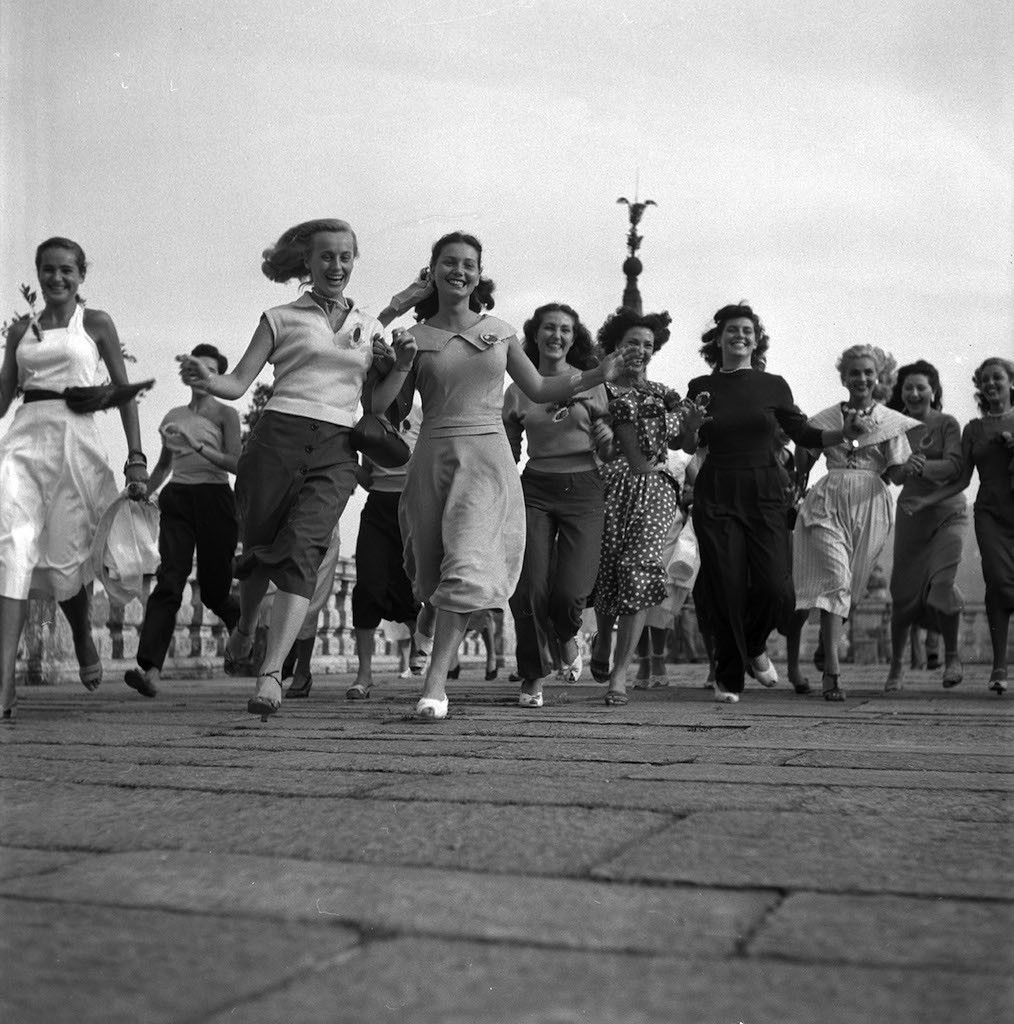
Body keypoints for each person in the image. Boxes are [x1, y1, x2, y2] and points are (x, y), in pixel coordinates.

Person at [370, 232, 637, 720]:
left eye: (469, 264)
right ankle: (429, 625)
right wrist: (399, 347)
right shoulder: (415, 338)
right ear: (432, 271)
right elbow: (379, 405)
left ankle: (435, 686)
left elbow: (537, 387)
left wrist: (598, 374)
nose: (460, 271)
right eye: (449, 262)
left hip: (488, 461)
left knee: (468, 565)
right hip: (432, 458)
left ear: (478, 273)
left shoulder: (500, 331)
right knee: (428, 573)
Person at [178, 218, 422, 717]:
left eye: (345, 257)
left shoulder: (369, 325)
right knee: (261, 548)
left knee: (302, 549)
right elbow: (238, 383)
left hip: (336, 449)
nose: (336, 266)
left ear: (355, 262)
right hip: (275, 443)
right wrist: (207, 378)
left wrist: (398, 364)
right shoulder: (279, 317)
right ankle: (246, 626)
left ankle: (271, 675)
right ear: (307, 264)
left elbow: (375, 403)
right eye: (326, 256)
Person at [685, 305, 869, 704]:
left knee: (776, 588)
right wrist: (688, 425)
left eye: (748, 330)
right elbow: (688, 444)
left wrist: (845, 433)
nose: (740, 335)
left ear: (756, 339)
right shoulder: (700, 384)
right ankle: (729, 678)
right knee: (727, 585)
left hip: (765, 490)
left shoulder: (774, 385)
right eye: (732, 330)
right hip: (717, 491)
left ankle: (753, 644)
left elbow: (802, 431)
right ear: (718, 340)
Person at [0, 237, 149, 719]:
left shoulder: (97, 324)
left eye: (66, 270)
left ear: (81, 274)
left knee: (67, 558)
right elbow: (5, 394)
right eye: (47, 269)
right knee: (14, 549)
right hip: (25, 441)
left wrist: (137, 457)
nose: (56, 278)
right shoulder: (22, 329)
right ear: (38, 273)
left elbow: (125, 393)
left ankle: (83, 636)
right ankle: (4, 685)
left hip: (76, 445)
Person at [588, 308, 705, 705]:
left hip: (655, 487)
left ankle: (619, 675)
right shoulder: (597, 389)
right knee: (607, 569)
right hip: (609, 485)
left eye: (648, 345)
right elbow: (597, 445)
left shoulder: (663, 394)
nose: (641, 350)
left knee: (638, 569)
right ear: (616, 345)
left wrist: (692, 422)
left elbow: (684, 447)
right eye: (632, 342)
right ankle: (603, 640)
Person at [502, 303, 612, 708]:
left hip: (585, 486)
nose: (557, 336)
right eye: (550, 328)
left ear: (574, 337)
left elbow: (613, 446)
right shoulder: (517, 389)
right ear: (536, 334)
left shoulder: (591, 384)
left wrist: (606, 437)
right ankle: (532, 675)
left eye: (566, 329)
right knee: (528, 586)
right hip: (535, 488)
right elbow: (507, 450)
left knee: (570, 593)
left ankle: (567, 635)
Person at [792, 344, 917, 701]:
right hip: (828, 499)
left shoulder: (890, 422)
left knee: (853, 585)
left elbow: (895, 475)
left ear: (878, 378)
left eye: (868, 372)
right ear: (844, 377)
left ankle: (825, 643)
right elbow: (805, 453)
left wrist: (911, 466)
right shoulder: (826, 418)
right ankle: (832, 672)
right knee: (835, 579)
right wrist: (800, 465)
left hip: (870, 503)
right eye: (854, 372)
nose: (861, 378)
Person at [124, 345, 241, 698]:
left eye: (209, 369)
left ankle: (249, 635)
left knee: (215, 591)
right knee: (170, 580)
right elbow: (163, 467)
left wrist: (197, 445)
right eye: (196, 367)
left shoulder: (226, 415)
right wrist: (143, 488)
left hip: (216, 500)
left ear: (217, 376)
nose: (201, 373)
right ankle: (150, 671)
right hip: (178, 499)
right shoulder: (173, 415)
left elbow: (236, 463)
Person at [904, 357, 1014, 694]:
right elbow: (961, 479)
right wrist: (926, 501)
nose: (991, 383)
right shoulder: (974, 429)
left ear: (1011, 382)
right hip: (990, 514)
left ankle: (998, 667)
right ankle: (999, 666)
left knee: (1002, 589)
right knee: (999, 581)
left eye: (998, 377)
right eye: (985, 379)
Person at [883, 360, 966, 691]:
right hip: (911, 515)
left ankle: (953, 657)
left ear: (934, 390)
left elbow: (956, 466)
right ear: (900, 393)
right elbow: (892, 475)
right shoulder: (895, 427)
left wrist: (923, 467)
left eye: (921, 386)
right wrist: (905, 469)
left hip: (949, 514)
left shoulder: (947, 424)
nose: (914, 393)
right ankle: (896, 667)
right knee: (903, 595)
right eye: (908, 387)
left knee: (943, 581)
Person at [346, 396, 423, 700]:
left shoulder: (420, 414)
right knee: (367, 586)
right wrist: (348, 464)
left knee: (411, 587)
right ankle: (364, 674)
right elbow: (369, 476)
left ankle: (422, 641)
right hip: (377, 507)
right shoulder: (369, 420)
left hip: (413, 507)